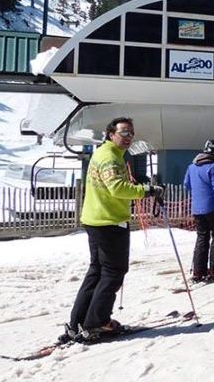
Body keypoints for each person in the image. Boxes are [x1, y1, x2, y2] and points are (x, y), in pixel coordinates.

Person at [64, 117, 163, 342]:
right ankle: (97, 323)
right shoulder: (110, 157)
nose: (128, 137)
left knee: (97, 271)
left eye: (131, 133)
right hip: (109, 222)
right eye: (124, 133)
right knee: (113, 272)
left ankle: (78, 321)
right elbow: (117, 187)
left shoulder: (104, 154)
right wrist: (146, 191)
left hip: (96, 219)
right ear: (111, 134)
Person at [185, 139, 214, 282]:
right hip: (212, 207)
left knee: (202, 237)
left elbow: (186, 185)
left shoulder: (191, 167)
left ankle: (198, 271)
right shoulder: (213, 166)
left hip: (197, 208)